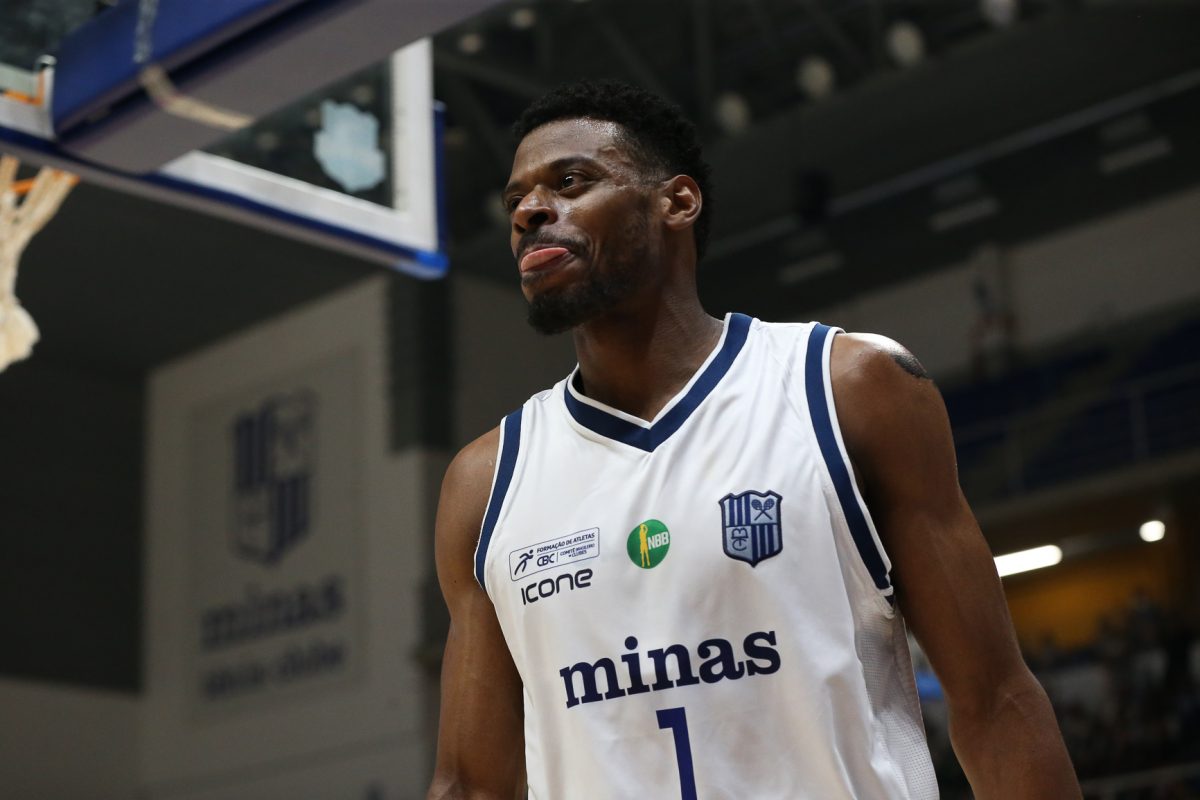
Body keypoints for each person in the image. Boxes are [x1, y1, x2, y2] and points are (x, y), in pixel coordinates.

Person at [427, 81, 1079, 799]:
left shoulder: (848, 389)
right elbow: (472, 785)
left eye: (571, 182)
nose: (529, 211)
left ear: (678, 202)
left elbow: (995, 702)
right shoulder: (486, 482)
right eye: (515, 201)